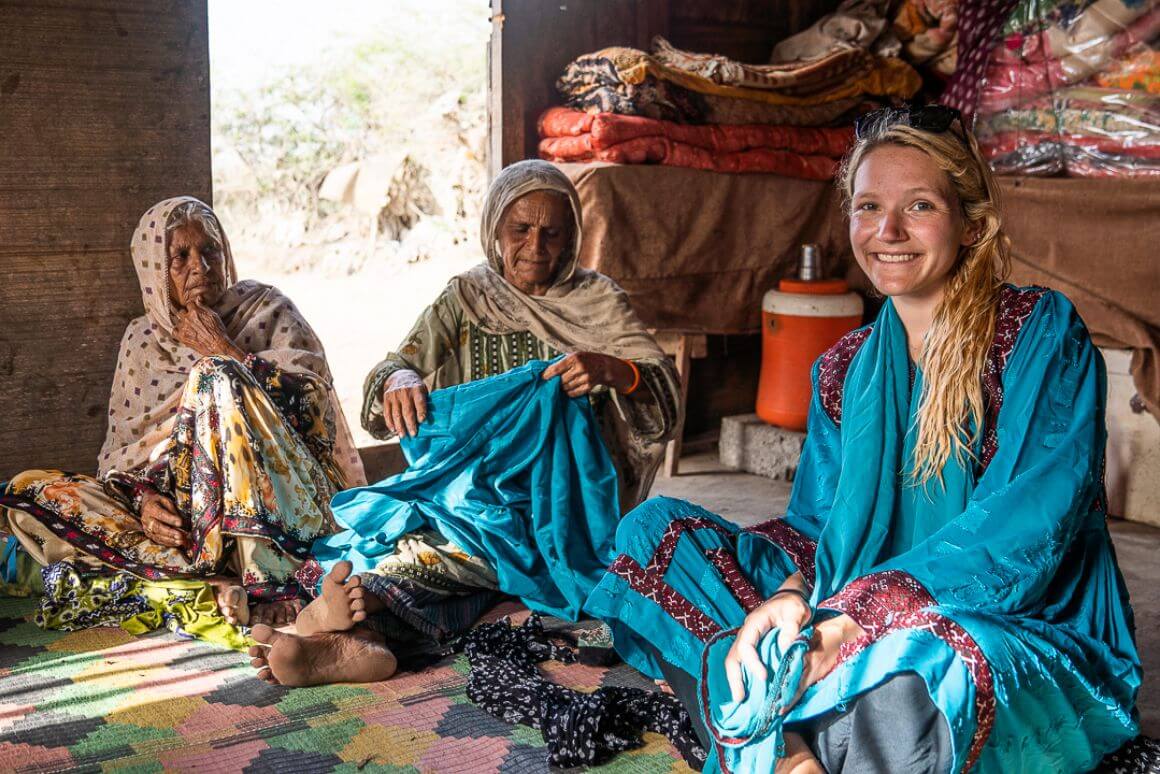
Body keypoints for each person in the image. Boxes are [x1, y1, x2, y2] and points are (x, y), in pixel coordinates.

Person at [582, 106, 1141, 773]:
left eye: (921, 206)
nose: (888, 232)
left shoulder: (1038, 335)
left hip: (1011, 618)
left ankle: (759, 721)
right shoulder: (843, 368)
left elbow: (1022, 539)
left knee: (932, 671)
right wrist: (793, 596)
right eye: (868, 206)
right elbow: (818, 526)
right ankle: (794, 749)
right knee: (655, 536)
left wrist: (850, 624)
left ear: (971, 223)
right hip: (847, 599)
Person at [247, 160, 681, 685]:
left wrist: (616, 371)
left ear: (573, 239)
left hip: (563, 501)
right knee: (401, 534)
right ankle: (355, 639)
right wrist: (398, 382)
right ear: (494, 229)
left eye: (552, 232)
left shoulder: (598, 303)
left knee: (455, 552)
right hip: (466, 487)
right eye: (520, 230)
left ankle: (354, 622)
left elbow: (666, 400)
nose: (536, 246)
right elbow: (390, 369)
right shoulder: (466, 300)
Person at [0, 197, 366, 627]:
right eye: (181, 256)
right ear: (155, 272)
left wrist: (225, 351)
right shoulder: (141, 340)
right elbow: (122, 459)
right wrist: (145, 501)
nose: (201, 267)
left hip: (280, 509)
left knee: (215, 375)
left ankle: (267, 579)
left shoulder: (269, 310)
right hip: (185, 522)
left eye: (209, 250)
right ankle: (207, 581)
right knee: (29, 494)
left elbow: (315, 417)